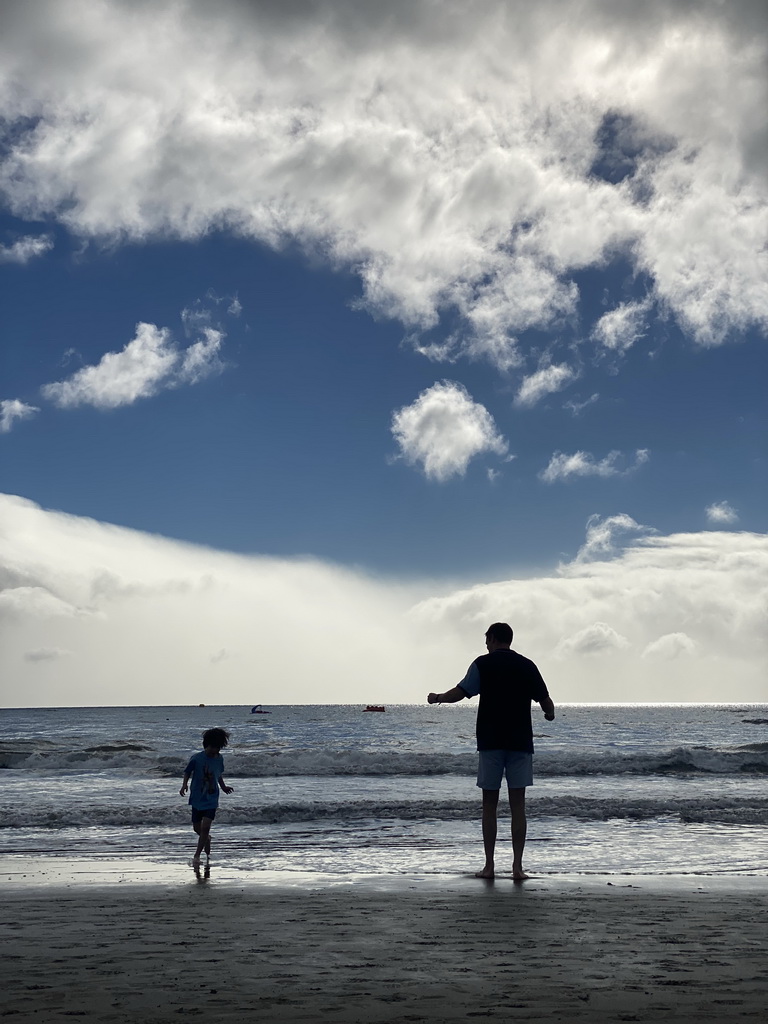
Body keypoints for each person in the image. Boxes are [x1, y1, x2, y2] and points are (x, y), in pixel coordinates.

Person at [427, 623, 555, 881]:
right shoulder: (527, 665)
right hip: (520, 742)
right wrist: (549, 713)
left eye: (487, 640)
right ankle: (517, 868)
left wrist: (437, 697)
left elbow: (461, 693)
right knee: (518, 805)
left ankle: (489, 866)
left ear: (494, 638)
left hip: (491, 741)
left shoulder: (483, 664)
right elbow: (545, 699)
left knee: (489, 804)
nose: (486, 645)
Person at [179, 727, 234, 864]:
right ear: (206, 745)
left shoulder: (219, 759)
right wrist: (184, 785)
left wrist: (223, 787)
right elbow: (187, 772)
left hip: (212, 798)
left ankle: (197, 855)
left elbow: (218, 774)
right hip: (197, 797)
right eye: (212, 747)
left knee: (205, 827)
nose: (214, 751)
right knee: (197, 828)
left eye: (217, 748)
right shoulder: (197, 758)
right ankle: (207, 839)